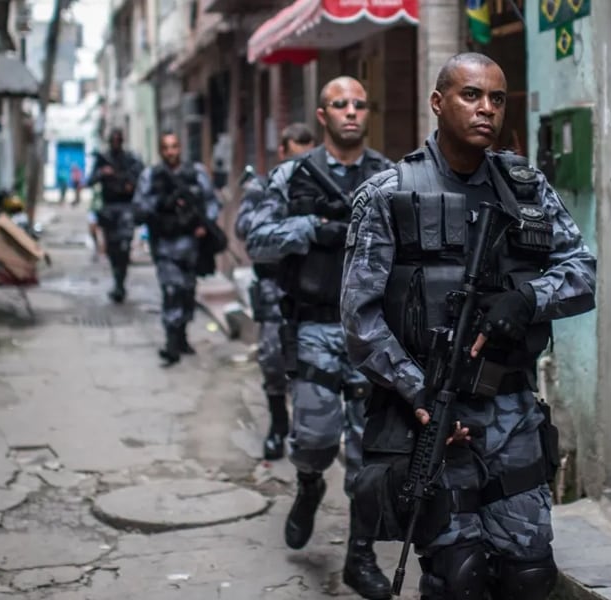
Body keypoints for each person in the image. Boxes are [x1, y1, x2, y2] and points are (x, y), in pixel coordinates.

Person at [340, 53, 597, 600]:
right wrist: (420, 393)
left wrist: (527, 298)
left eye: (497, 99)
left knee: (530, 576)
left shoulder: (526, 188)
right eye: (470, 95)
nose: (486, 109)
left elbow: (583, 274)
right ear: (438, 102)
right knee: (459, 578)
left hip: (512, 413)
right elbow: (359, 321)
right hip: (434, 412)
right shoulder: (388, 194)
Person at [246, 76, 394, 600]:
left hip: (374, 331)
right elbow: (255, 237)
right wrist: (311, 228)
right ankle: (308, 484)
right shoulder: (291, 175)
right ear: (323, 114)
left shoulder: (391, 176)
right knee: (313, 440)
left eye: (359, 103)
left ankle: (361, 556)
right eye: (340, 104)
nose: (351, 111)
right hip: (313, 326)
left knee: (367, 456)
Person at [235, 123, 316, 461]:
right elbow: (247, 231)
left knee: (312, 364)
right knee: (272, 359)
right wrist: (299, 231)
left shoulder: (322, 188)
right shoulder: (264, 187)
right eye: (295, 158)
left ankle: (304, 430)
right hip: (273, 289)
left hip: (315, 288)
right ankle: (278, 425)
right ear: (281, 152)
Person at [133, 131, 221, 367]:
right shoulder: (151, 176)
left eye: (174, 146)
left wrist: (205, 224)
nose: (171, 152)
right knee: (171, 290)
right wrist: (162, 203)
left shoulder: (197, 173)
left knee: (187, 291)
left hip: (191, 245)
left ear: (180, 148)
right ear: (161, 151)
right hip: (164, 245)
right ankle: (171, 344)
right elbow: (139, 207)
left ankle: (181, 336)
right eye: (166, 147)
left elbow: (212, 202)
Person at [88, 128, 144, 302]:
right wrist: (102, 173)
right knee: (112, 248)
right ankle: (117, 281)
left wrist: (129, 182)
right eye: (113, 140)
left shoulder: (130, 159)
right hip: (109, 208)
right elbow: (90, 180)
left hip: (126, 206)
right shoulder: (103, 160)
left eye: (118, 140)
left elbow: (141, 177)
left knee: (124, 246)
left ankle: (121, 281)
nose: (116, 143)